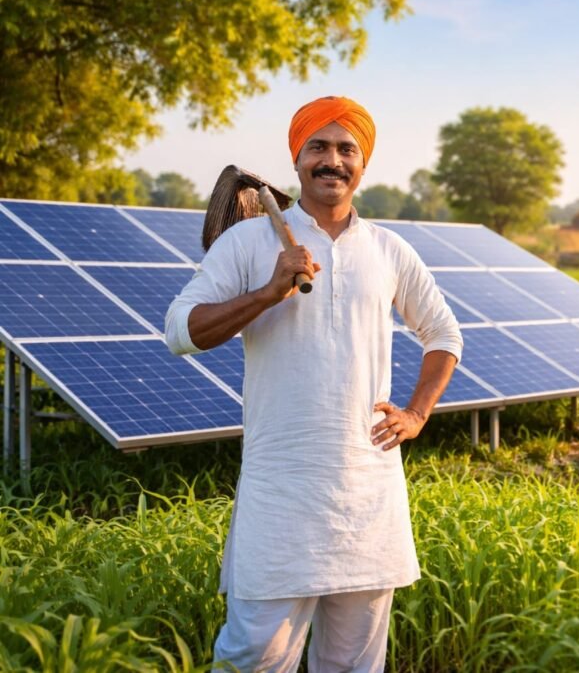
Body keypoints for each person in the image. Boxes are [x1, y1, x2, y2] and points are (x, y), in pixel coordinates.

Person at [165, 95, 462, 672]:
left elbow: (444, 335)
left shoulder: (388, 249)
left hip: (368, 494)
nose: (333, 160)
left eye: (346, 148)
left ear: (363, 163)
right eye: (319, 148)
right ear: (297, 160)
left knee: (354, 664)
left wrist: (417, 414)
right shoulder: (249, 244)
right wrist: (267, 293)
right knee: (252, 656)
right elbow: (179, 331)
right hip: (280, 493)